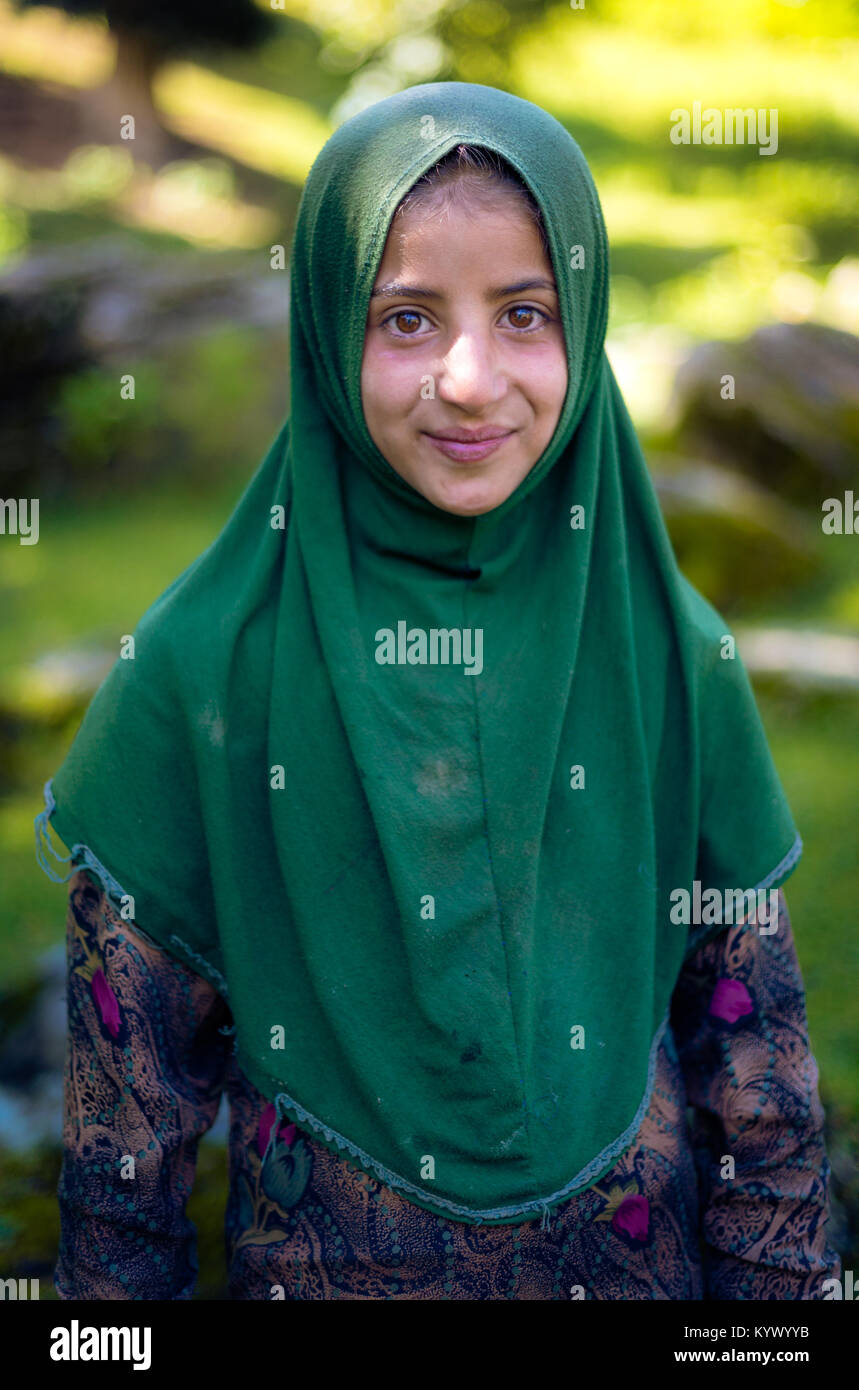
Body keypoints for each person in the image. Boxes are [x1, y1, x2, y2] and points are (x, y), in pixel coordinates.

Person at [35, 81, 840, 1300]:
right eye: (405, 318)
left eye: (525, 312)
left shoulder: (670, 653)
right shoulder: (202, 678)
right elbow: (118, 1182)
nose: (469, 379)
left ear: (587, 319)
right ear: (322, 329)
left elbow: (763, 1106)